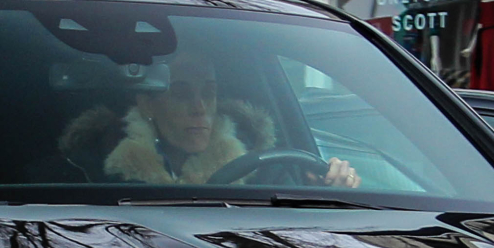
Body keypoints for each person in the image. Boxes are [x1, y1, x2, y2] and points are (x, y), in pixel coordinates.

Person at [60, 49, 359, 189]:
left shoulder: (267, 173)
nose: (199, 107)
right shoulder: (83, 170)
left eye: (209, 93)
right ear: (147, 104)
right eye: (181, 93)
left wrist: (334, 193)